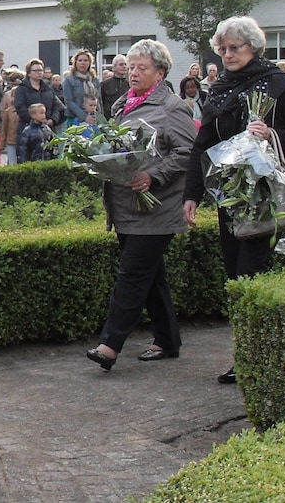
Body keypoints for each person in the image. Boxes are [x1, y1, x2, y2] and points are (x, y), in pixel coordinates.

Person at [182, 16, 285, 385]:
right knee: (235, 278)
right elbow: (202, 146)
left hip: (265, 195)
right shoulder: (220, 88)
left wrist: (270, 133)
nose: (227, 54)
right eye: (222, 48)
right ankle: (245, 354)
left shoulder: (279, 83)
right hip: (231, 197)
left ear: (253, 47)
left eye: (234, 48)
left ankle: (251, 360)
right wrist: (192, 195)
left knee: (250, 274)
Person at [86, 40, 196, 371]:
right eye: (131, 66)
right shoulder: (123, 103)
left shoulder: (172, 107)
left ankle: (110, 345)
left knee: (132, 274)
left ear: (160, 73)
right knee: (151, 274)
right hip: (126, 206)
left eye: (142, 68)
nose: (134, 73)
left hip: (157, 208)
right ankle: (167, 340)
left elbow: (189, 152)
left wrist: (153, 175)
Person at [14, 59, 60, 142]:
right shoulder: (22, 89)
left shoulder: (48, 88)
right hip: (28, 130)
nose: (39, 72)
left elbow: (57, 106)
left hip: (48, 130)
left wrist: (53, 119)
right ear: (29, 73)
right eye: (36, 70)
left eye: (41, 70)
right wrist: (36, 119)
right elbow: (20, 108)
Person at [63, 49, 99, 128]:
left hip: (93, 118)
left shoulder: (94, 80)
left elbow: (98, 100)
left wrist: (99, 116)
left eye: (85, 60)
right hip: (75, 118)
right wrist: (84, 116)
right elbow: (69, 101)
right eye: (80, 60)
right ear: (75, 63)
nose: (83, 63)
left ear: (89, 63)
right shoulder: (69, 80)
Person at [0, 69, 23, 165]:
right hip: (10, 140)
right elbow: (4, 128)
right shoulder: (8, 112)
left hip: (21, 140)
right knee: (12, 161)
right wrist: (2, 143)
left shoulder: (24, 111)